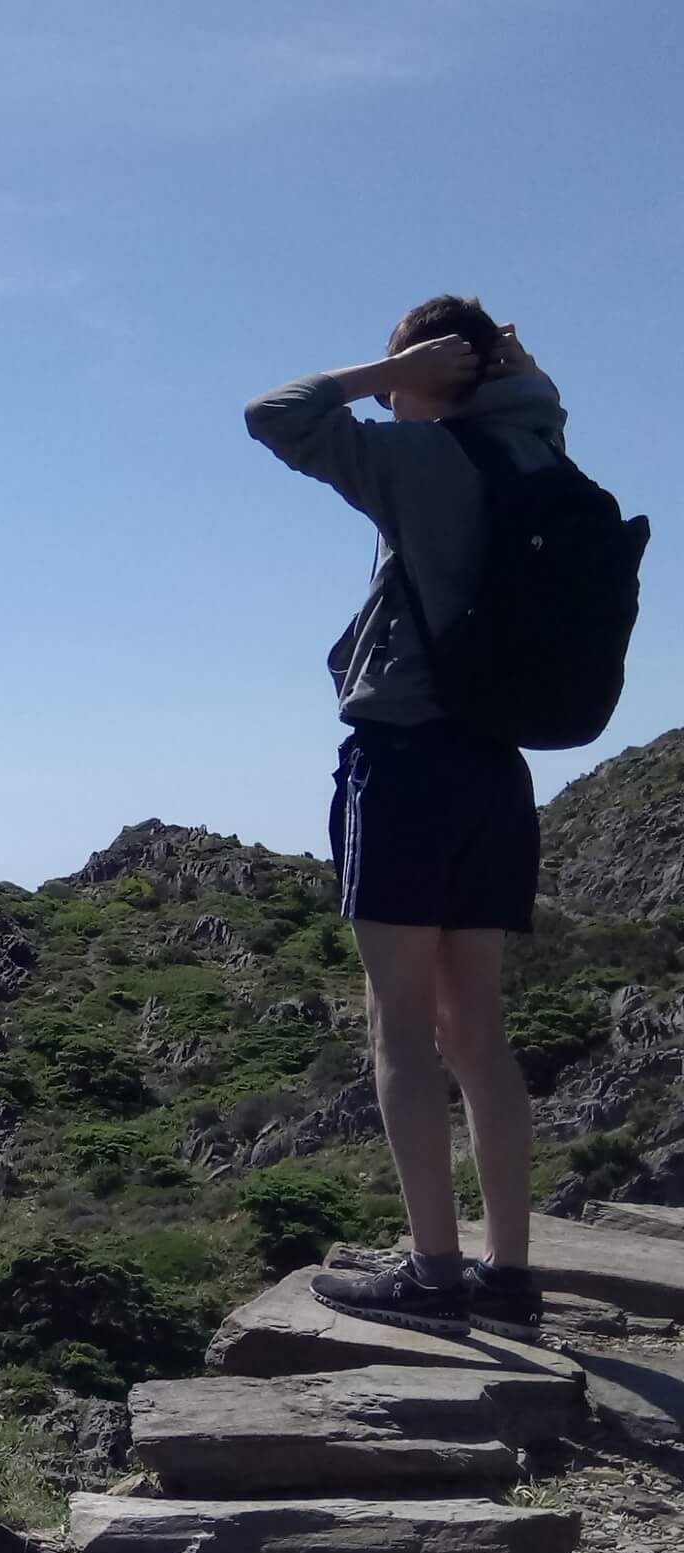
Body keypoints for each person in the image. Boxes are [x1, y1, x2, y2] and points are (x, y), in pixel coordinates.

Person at [245, 295, 565, 1338]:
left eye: (403, 366)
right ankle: (508, 1277)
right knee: (478, 1028)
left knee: (399, 1024)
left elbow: (275, 413)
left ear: (430, 367)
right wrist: (487, 368)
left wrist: (380, 378)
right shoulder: (540, 458)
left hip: (407, 763)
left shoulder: (420, 462)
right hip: (493, 774)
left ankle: (433, 1274)